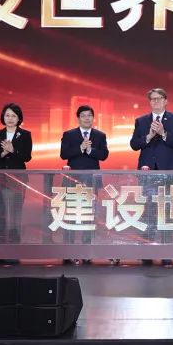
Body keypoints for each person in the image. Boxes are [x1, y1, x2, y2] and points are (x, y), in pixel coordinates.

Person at [129, 88, 173, 266]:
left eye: (159, 98)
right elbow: (134, 144)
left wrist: (163, 133)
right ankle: (148, 251)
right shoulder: (141, 121)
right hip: (147, 172)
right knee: (148, 212)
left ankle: (166, 252)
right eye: (153, 99)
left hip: (168, 171)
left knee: (166, 211)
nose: (156, 102)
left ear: (166, 101)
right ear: (149, 102)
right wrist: (149, 136)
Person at [59, 104, 109, 261]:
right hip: (73, 180)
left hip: (91, 180)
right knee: (71, 214)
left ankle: (87, 251)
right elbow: (63, 154)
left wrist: (90, 151)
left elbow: (104, 155)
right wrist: (80, 148)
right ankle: (69, 250)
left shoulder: (100, 135)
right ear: (78, 118)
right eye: (83, 116)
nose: (87, 118)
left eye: (89, 115)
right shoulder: (69, 135)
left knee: (89, 214)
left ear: (93, 118)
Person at [0, 102, 32, 264]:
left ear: (19, 118)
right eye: (7, 115)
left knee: (15, 213)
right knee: (0, 213)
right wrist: (3, 153)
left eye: (14, 115)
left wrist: (13, 150)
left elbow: (27, 157)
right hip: (0, 179)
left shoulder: (25, 135)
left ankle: (14, 248)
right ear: (3, 117)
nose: (10, 118)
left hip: (18, 179)